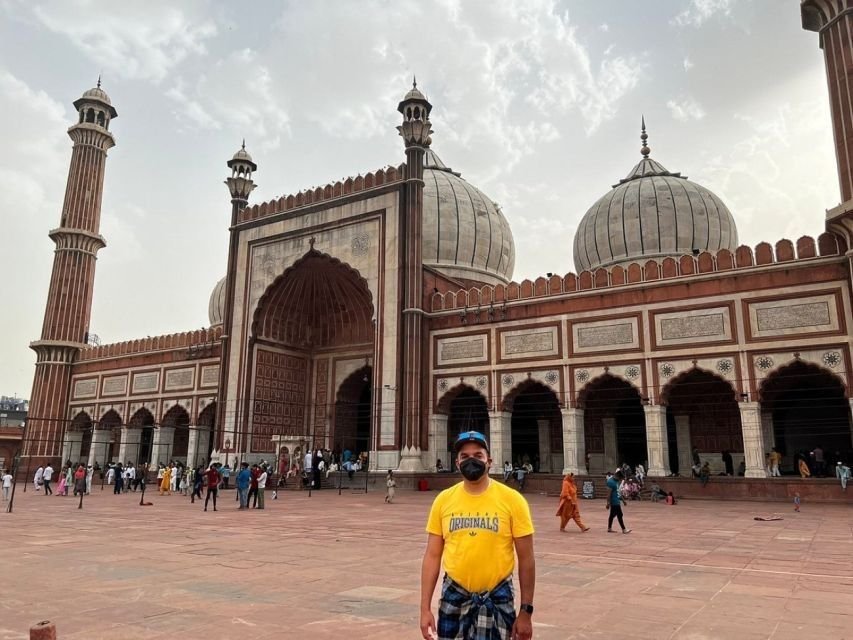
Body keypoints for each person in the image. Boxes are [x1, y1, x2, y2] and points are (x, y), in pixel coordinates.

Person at [420, 431, 535, 640]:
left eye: (478, 455)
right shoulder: (443, 500)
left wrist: (526, 611)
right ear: (457, 463)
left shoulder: (513, 500)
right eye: (464, 457)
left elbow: (527, 559)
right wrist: (424, 608)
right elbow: (432, 556)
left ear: (489, 461)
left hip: (497, 596)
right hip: (454, 595)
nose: (471, 460)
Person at [606, 470, 631, 534]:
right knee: (620, 515)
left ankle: (609, 528)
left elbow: (618, 492)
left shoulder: (616, 481)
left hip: (617, 500)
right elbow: (608, 494)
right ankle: (624, 529)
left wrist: (623, 500)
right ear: (617, 476)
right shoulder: (610, 482)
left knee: (612, 515)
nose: (620, 480)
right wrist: (608, 503)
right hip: (614, 502)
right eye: (620, 478)